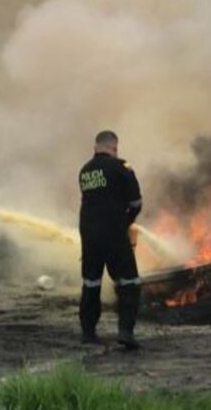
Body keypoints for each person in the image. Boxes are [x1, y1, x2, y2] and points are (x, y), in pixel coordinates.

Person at [77, 130, 144, 349]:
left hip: (88, 234)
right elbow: (136, 203)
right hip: (114, 233)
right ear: (114, 148)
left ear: (96, 147)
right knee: (129, 283)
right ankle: (125, 332)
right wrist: (126, 222)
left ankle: (88, 333)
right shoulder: (121, 167)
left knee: (91, 282)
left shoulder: (85, 171)